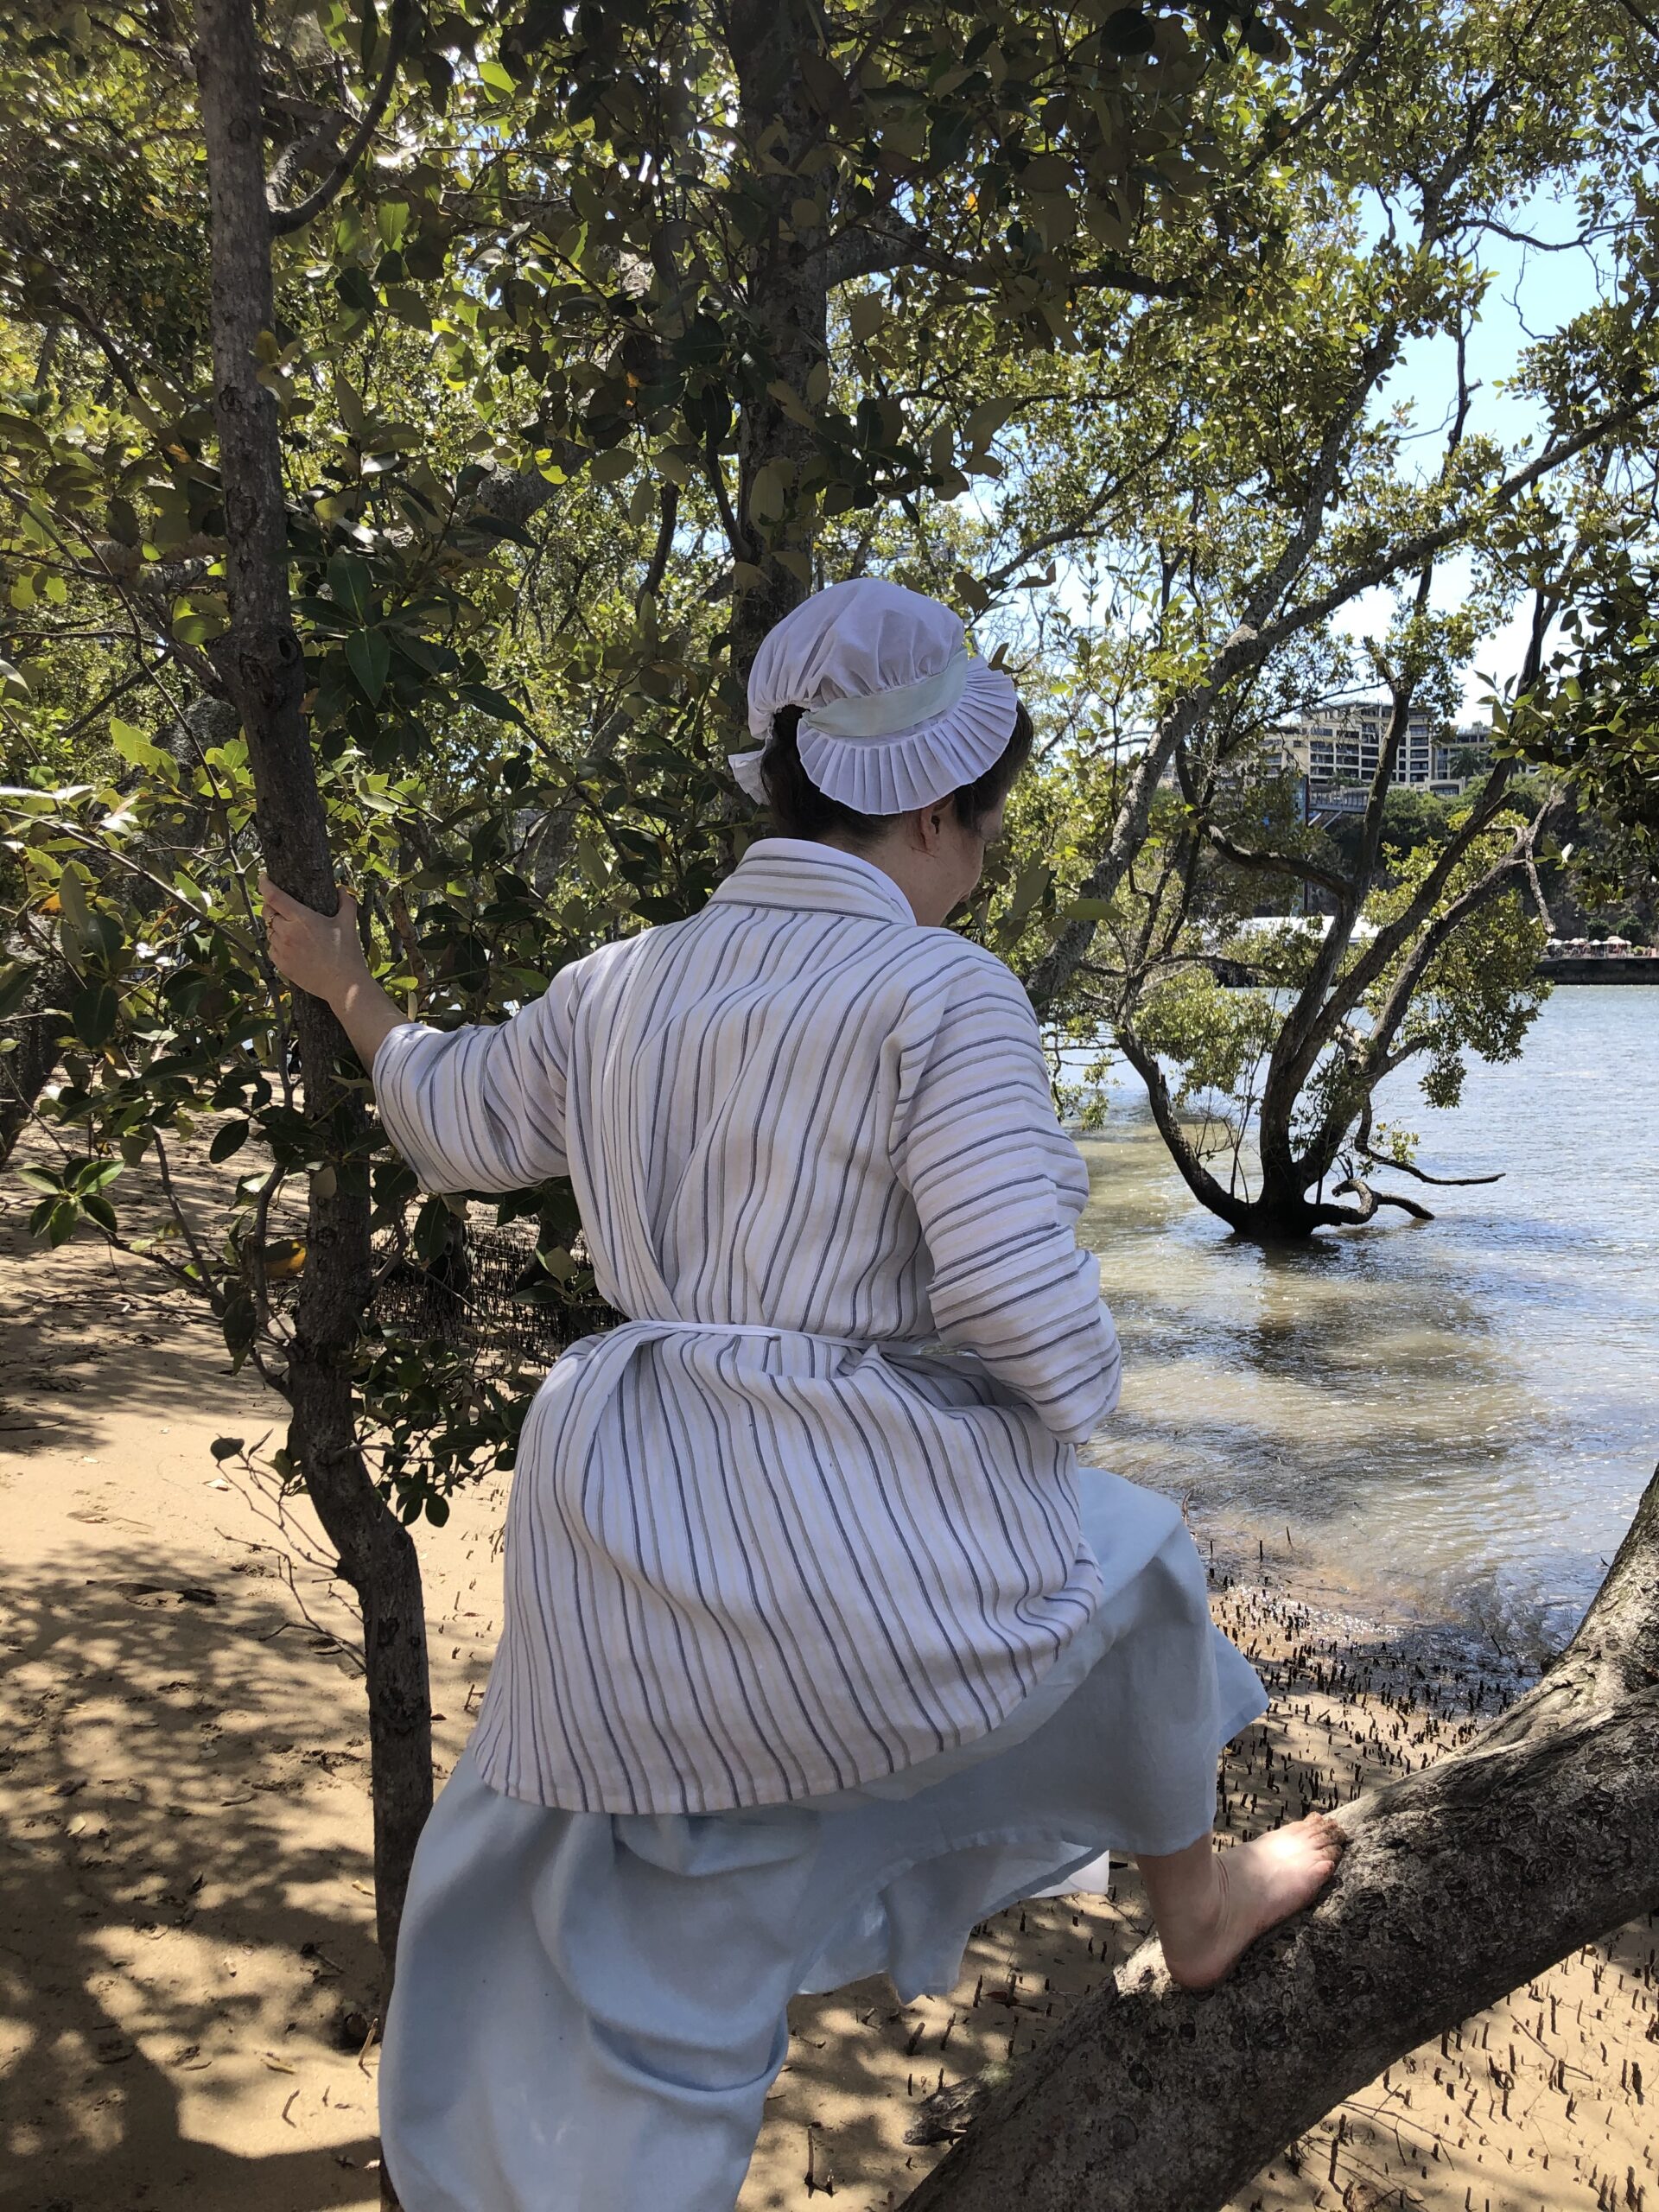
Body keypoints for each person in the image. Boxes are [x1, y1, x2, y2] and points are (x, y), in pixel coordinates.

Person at [261, 579, 1342, 2212]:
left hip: (623, 1535)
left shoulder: (618, 981)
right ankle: (1188, 1905)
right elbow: (1019, 1312)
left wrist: (346, 984)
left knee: (675, 1962)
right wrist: (1068, 1393)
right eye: (983, 809)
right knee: (1142, 1568)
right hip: (830, 1528)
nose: (984, 848)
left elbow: (453, 1123)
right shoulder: (941, 990)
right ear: (925, 799)